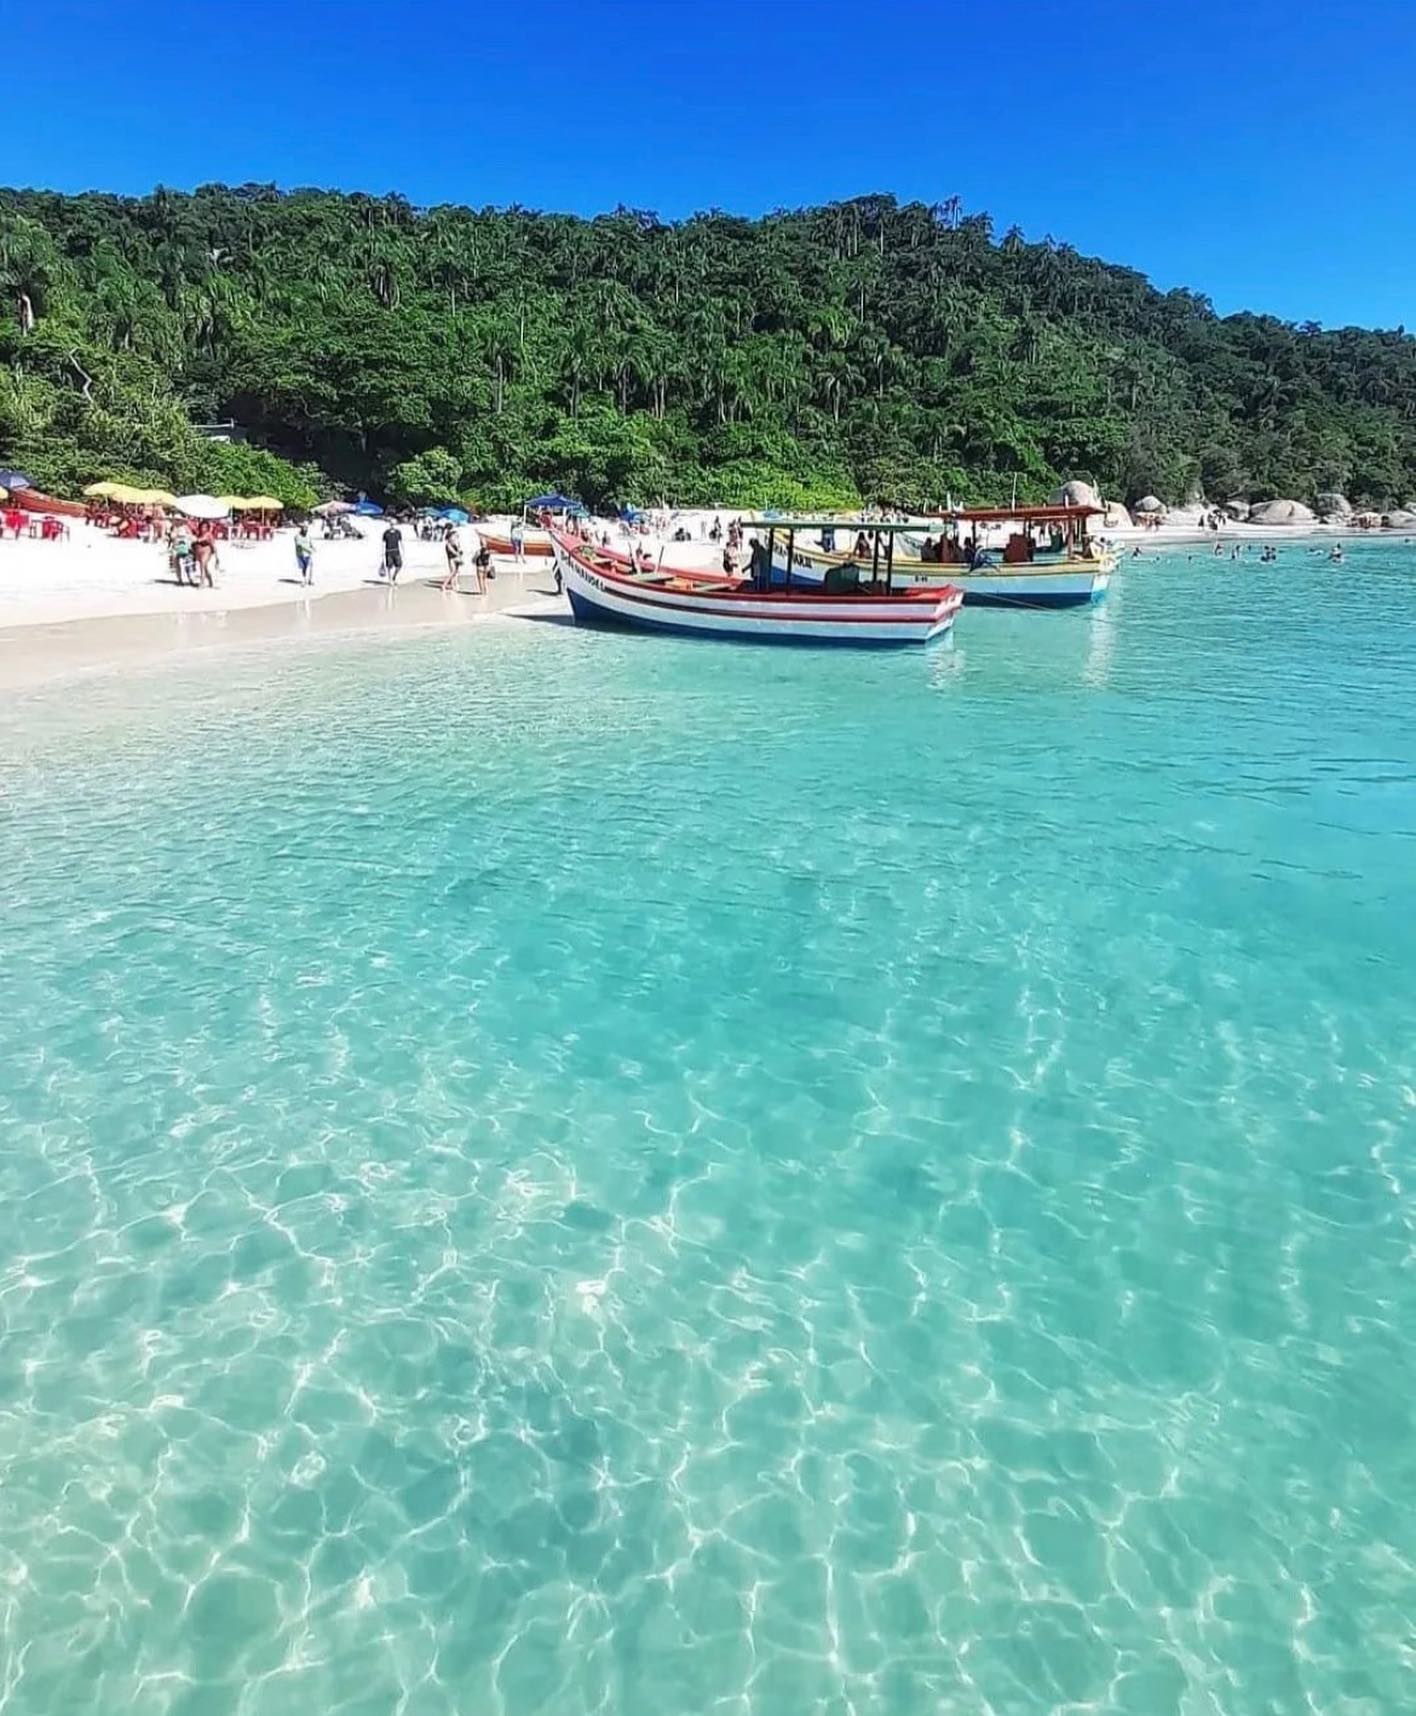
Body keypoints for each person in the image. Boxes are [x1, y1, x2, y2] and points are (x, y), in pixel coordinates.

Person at [441, 525, 464, 592]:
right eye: (454, 537)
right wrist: (458, 553)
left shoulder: (455, 544)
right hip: (452, 560)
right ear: (450, 538)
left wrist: (459, 547)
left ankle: (454, 585)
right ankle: (444, 585)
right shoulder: (448, 544)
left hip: (456, 559)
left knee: (456, 572)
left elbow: (459, 551)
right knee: (452, 572)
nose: (455, 538)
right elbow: (454, 552)